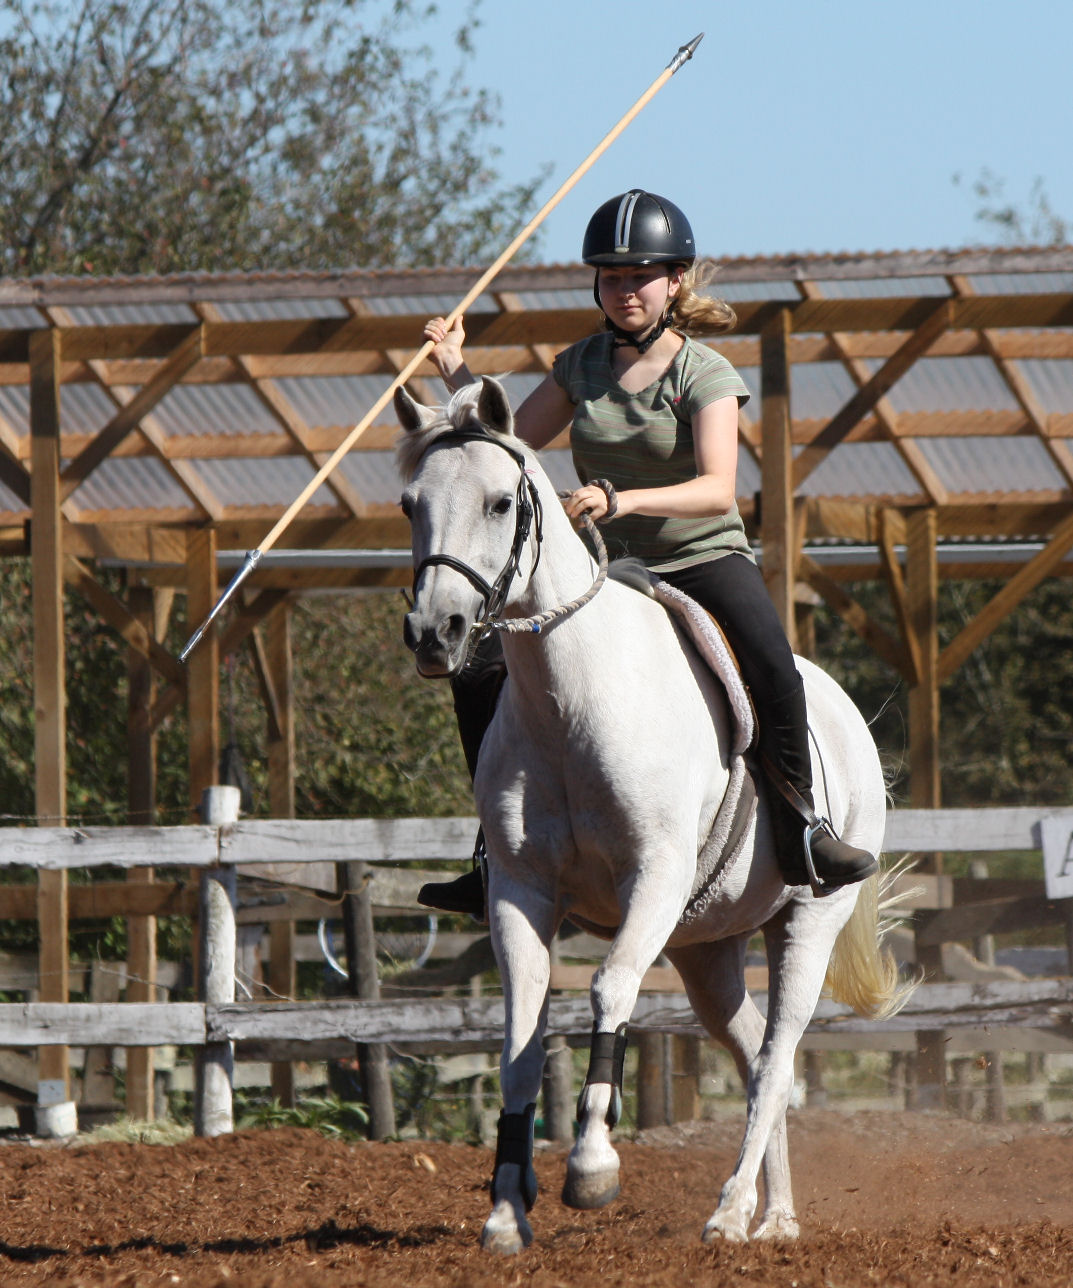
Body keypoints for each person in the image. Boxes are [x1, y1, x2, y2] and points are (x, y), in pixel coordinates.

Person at [415, 189, 877, 917]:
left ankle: (802, 829)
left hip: (700, 557)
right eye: (610, 277)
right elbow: (508, 448)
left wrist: (620, 500)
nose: (624, 290)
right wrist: (455, 370)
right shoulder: (579, 365)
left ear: (673, 283)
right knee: (478, 668)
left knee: (774, 667)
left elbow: (717, 489)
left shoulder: (706, 373)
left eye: (639, 276)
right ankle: (492, 851)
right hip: (605, 575)